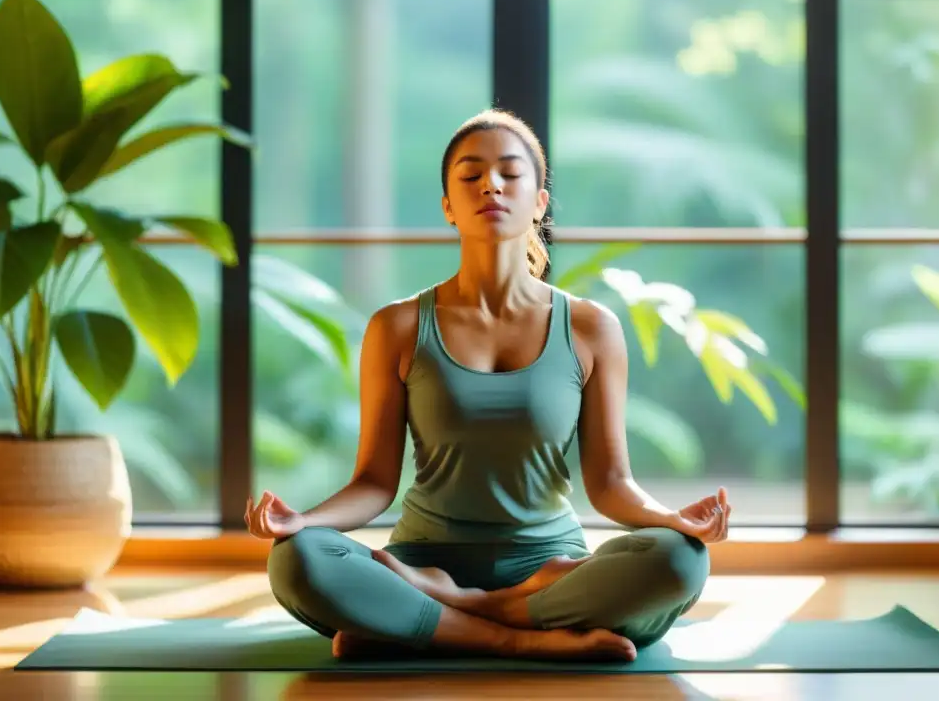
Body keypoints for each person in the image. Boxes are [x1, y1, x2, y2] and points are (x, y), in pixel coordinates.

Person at [246, 109, 732, 663]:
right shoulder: (398, 326)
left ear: (539, 202)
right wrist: (304, 521)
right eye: (470, 175)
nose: (490, 185)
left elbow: (612, 483)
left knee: (680, 561)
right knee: (295, 560)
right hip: (423, 558)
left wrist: (670, 520)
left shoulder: (590, 328)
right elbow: (375, 482)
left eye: (509, 172)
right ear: (449, 206)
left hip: (551, 569)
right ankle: (517, 633)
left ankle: (420, 619)